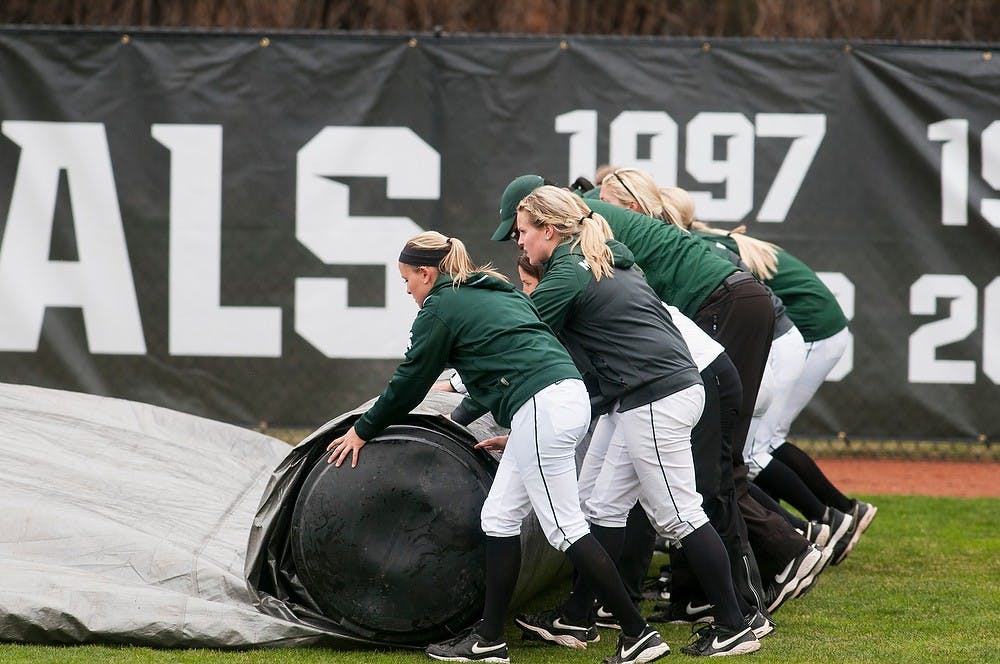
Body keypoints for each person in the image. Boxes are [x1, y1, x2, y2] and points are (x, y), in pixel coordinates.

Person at [326, 231, 669, 664]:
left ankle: (638, 636)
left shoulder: (441, 306)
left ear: (427, 273)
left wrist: (363, 429)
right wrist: (519, 430)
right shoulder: (493, 288)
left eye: (407, 280)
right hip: (556, 401)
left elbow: (409, 383)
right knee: (500, 516)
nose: (408, 289)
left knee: (565, 529)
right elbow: (512, 358)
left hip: (545, 405)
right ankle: (489, 641)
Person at [494, 174, 826, 617]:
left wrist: (473, 394)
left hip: (669, 385)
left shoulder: (573, 269)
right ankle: (593, 612)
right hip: (664, 383)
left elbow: (528, 345)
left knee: (689, 503)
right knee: (612, 503)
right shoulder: (600, 251)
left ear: (548, 226)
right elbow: (594, 377)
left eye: (521, 232)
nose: (517, 242)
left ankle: (741, 612)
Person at [659, 185, 876, 565]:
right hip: (798, 334)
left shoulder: (695, 246)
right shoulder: (698, 239)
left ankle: (822, 522)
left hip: (806, 334)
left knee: (753, 450)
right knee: (760, 445)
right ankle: (834, 515)